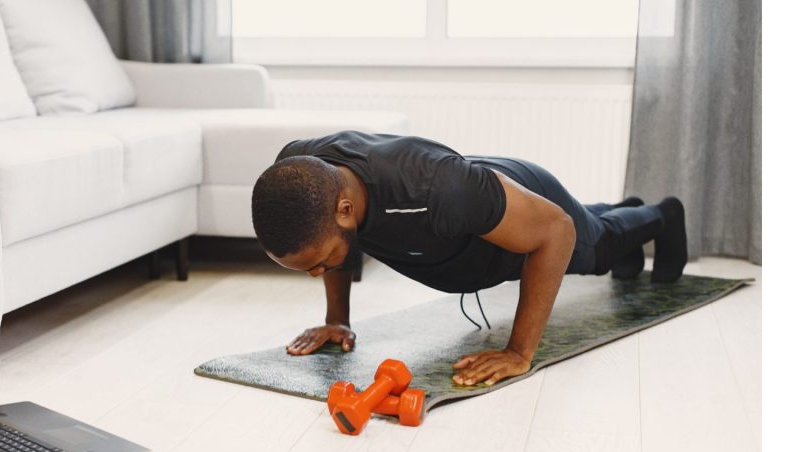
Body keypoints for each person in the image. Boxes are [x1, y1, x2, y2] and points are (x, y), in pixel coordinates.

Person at [251, 131, 687, 387]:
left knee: (596, 249)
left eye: (320, 261)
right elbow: (327, 243)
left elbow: (557, 230)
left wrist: (519, 351)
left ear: (345, 210)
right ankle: (617, 211)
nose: (316, 273)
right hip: (484, 195)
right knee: (590, 225)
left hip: (523, 197)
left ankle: (662, 215)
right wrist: (337, 319)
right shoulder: (302, 173)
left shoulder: (436, 192)